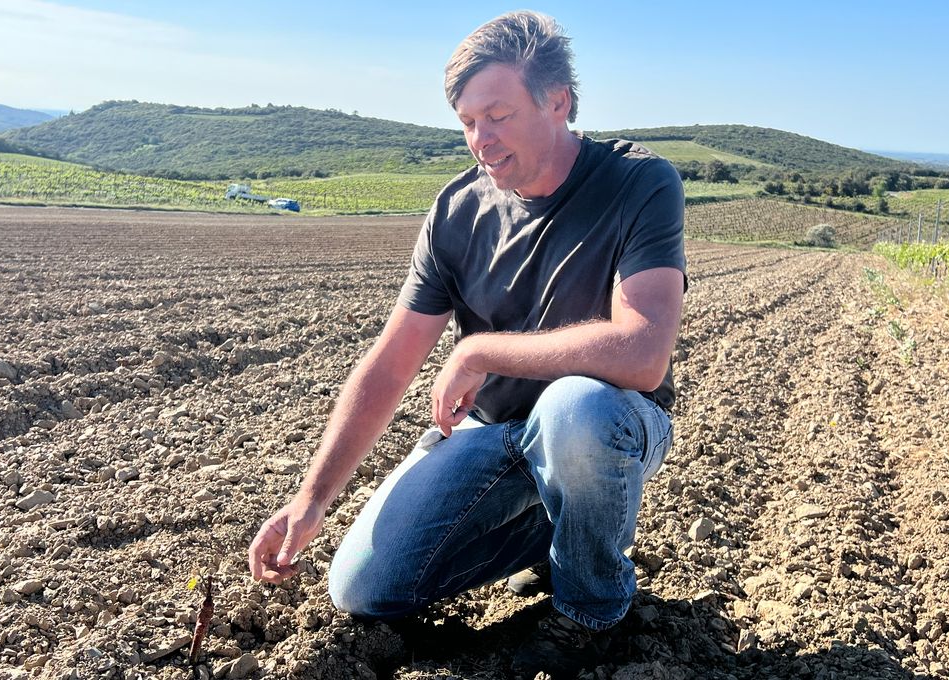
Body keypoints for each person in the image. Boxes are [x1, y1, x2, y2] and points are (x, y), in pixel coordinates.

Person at [248, 10, 686, 677]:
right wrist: (310, 501)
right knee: (363, 589)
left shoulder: (639, 184)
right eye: (466, 122)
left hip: (608, 424)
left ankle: (591, 610)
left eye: (499, 115)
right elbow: (390, 364)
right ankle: (560, 530)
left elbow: (643, 352)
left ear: (558, 101)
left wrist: (482, 352)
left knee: (575, 411)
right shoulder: (457, 211)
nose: (480, 140)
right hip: (492, 433)